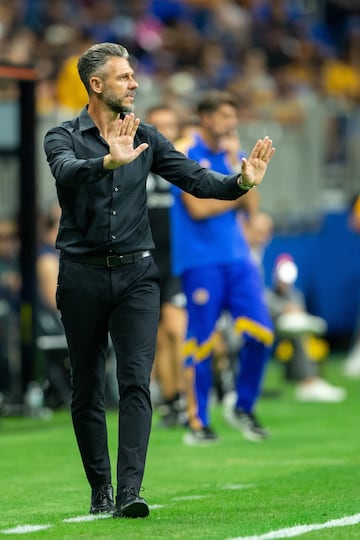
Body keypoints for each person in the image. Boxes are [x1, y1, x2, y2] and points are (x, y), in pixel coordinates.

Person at [43, 42, 275, 519]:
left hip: (137, 276)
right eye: (125, 77)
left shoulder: (147, 136)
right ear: (96, 84)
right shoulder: (61, 135)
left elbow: (194, 178)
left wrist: (240, 182)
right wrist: (108, 161)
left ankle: (129, 492)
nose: (135, 83)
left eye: (133, 76)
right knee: (86, 388)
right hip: (82, 275)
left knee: (135, 382)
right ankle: (100, 489)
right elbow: (66, 173)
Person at [171, 90, 275, 445]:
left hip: (238, 256)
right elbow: (197, 209)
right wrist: (236, 192)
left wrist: (237, 170)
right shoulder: (185, 150)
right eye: (225, 116)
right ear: (206, 117)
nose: (231, 123)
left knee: (262, 332)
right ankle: (197, 421)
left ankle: (242, 406)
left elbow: (252, 201)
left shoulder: (230, 153)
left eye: (234, 116)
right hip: (200, 260)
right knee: (200, 341)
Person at [145, 105, 188, 428]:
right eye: (157, 125)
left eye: (169, 125)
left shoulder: (183, 165)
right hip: (146, 258)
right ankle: (171, 401)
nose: (163, 131)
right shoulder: (135, 160)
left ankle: (190, 398)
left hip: (179, 258)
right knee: (158, 338)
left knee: (177, 328)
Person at [266, 254, 346, 402]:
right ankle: (308, 383)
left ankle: (312, 381)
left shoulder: (296, 295)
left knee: (305, 337)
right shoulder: (268, 295)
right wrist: (285, 309)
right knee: (298, 337)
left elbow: (299, 315)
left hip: (291, 335)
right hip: (269, 333)